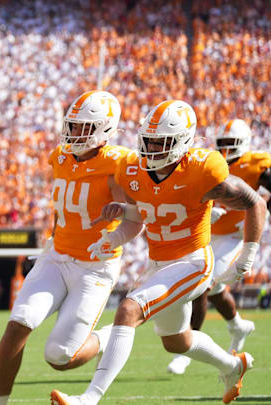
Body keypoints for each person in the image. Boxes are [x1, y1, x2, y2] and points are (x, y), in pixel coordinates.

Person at [51, 100, 265, 405]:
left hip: (192, 262)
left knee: (129, 310)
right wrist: (120, 217)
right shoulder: (132, 169)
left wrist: (247, 254)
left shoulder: (202, 169)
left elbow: (256, 202)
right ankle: (234, 366)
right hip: (159, 262)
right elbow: (146, 211)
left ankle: (89, 398)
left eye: (161, 142)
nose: (152, 148)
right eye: (148, 141)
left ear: (183, 142)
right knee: (177, 342)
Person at [0, 90, 130, 405]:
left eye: (85, 127)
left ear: (106, 128)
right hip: (57, 256)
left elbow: (140, 213)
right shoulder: (60, 157)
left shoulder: (119, 163)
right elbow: (60, 210)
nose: (76, 133)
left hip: (95, 266)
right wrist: (54, 242)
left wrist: (122, 214)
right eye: (74, 125)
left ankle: (107, 338)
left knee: (59, 357)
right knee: (18, 324)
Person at [167, 118, 268, 374]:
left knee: (204, 283)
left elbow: (266, 196)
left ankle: (189, 345)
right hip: (210, 232)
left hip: (235, 236)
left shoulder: (257, 165)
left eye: (231, 144)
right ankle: (237, 325)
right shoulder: (211, 163)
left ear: (244, 144)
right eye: (222, 143)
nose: (225, 149)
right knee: (214, 288)